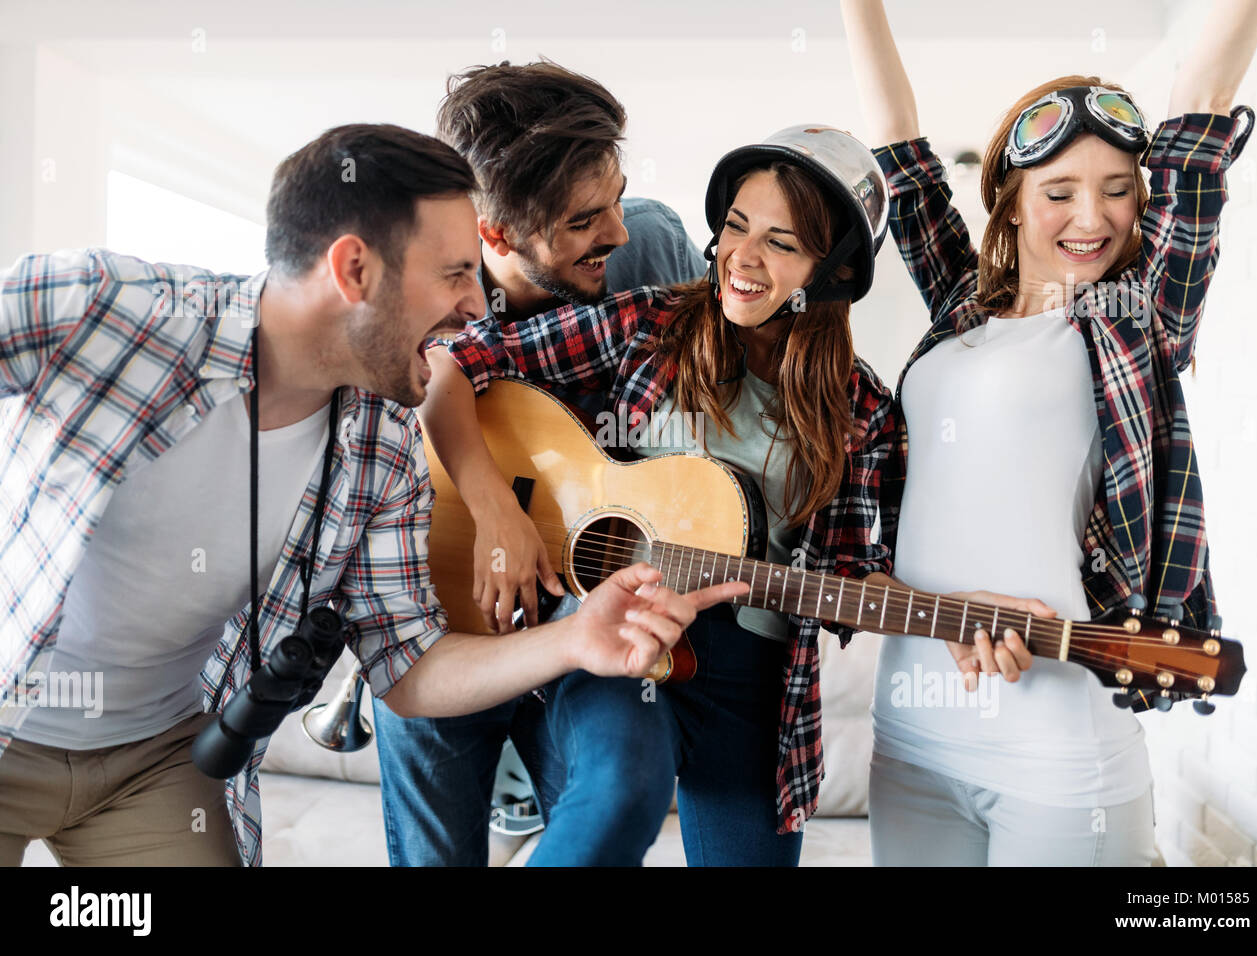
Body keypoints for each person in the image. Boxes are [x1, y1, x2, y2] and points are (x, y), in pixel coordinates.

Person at [0, 122, 740, 867]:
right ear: (355, 270)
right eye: (454, 274)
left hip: (158, 767)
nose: (476, 309)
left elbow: (410, 667)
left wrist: (574, 639)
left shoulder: (386, 445)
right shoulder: (108, 307)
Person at [841, 0, 1257, 865]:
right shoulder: (961, 302)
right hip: (916, 733)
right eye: (1060, 192)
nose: (1092, 217)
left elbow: (1203, 100)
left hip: (1062, 750)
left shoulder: (1134, 316)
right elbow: (898, 143)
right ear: (1009, 198)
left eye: (1118, 191)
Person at [424, 124, 903, 865]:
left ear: (832, 269)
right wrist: (495, 508)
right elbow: (455, 363)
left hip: (751, 690)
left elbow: (855, 574)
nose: (741, 255)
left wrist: (951, 619)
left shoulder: (864, 408)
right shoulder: (651, 323)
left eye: (780, 242)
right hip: (621, 638)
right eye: (736, 227)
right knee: (619, 793)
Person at [371, 60, 707, 867]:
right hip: (443, 601)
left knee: (628, 784)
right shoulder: (414, 288)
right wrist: (493, 510)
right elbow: (418, 400)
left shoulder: (653, 245)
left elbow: (693, 430)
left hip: (592, 587)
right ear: (495, 236)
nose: (619, 231)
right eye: (586, 220)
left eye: (618, 196)